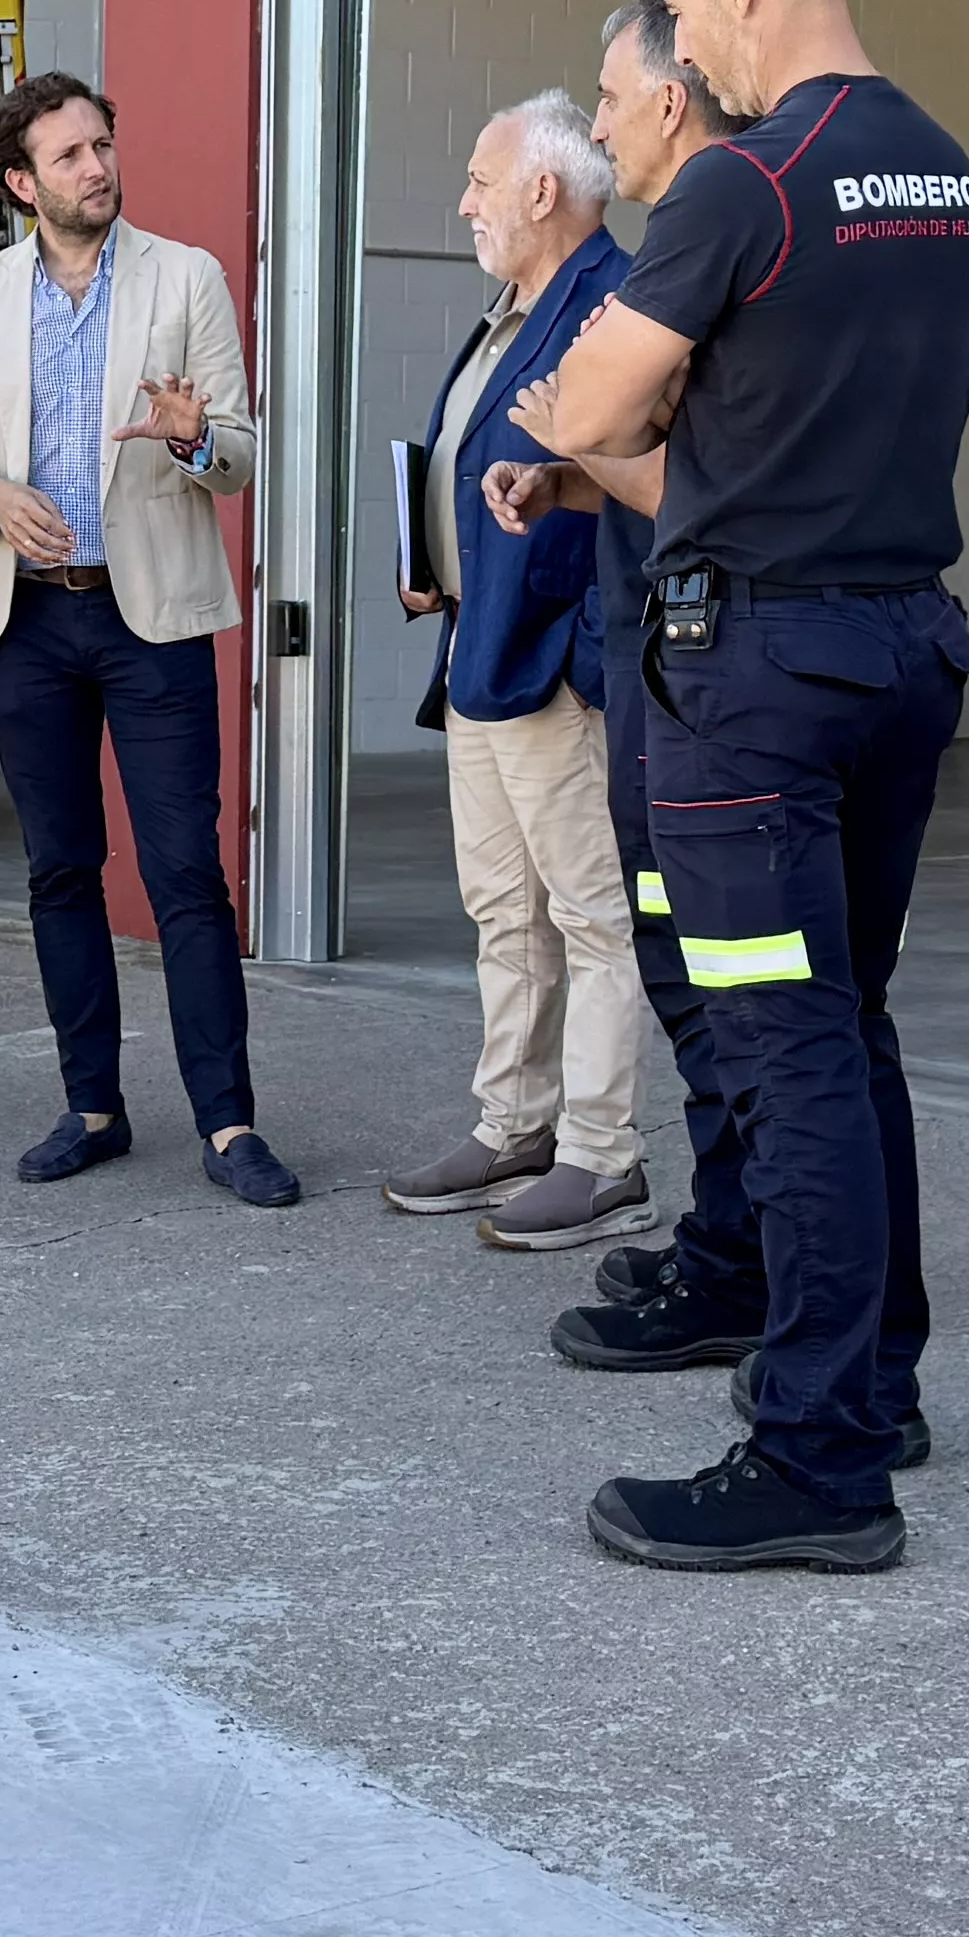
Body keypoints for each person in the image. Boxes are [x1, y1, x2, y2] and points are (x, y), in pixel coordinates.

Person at [536, 0, 969, 1573]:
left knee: (779, 1048)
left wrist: (624, 409)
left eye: (682, 6)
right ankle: (877, 1381)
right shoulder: (943, 170)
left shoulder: (745, 178)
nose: (687, 57)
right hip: (898, 653)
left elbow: (584, 397)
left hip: (755, 684)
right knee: (847, 1030)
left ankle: (813, 1453)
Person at [0, 73, 296, 1208]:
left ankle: (228, 1126)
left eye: (102, 146)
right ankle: (92, 1107)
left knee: (186, 872)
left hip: (154, 620)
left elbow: (239, 455)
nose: (98, 168)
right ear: (22, 183)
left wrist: (192, 440)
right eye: (70, 156)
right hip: (27, 618)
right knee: (60, 869)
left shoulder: (188, 278)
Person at [501, 0, 783, 1374]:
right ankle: (729, 1242)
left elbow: (691, 484)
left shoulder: (712, 240)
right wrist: (564, 465)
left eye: (611, 98)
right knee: (694, 985)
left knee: (735, 999)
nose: (600, 124)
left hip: (710, 678)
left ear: (673, 101)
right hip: (652, 663)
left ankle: (759, 1267)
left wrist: (583, 432)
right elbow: (635, 454)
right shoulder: (680, 253)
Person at [386, 94, 646, 1250]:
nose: (464, 202)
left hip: (552, 667)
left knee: (590, 919)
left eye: (481, 182)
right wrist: (433, 562)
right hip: (478, 648)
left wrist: (590, 663)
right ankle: (516, 1126)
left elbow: (634, 492)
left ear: (544, 191)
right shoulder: (514, 310)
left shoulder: (614, 305)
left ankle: (603, 1154)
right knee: (504, 914)